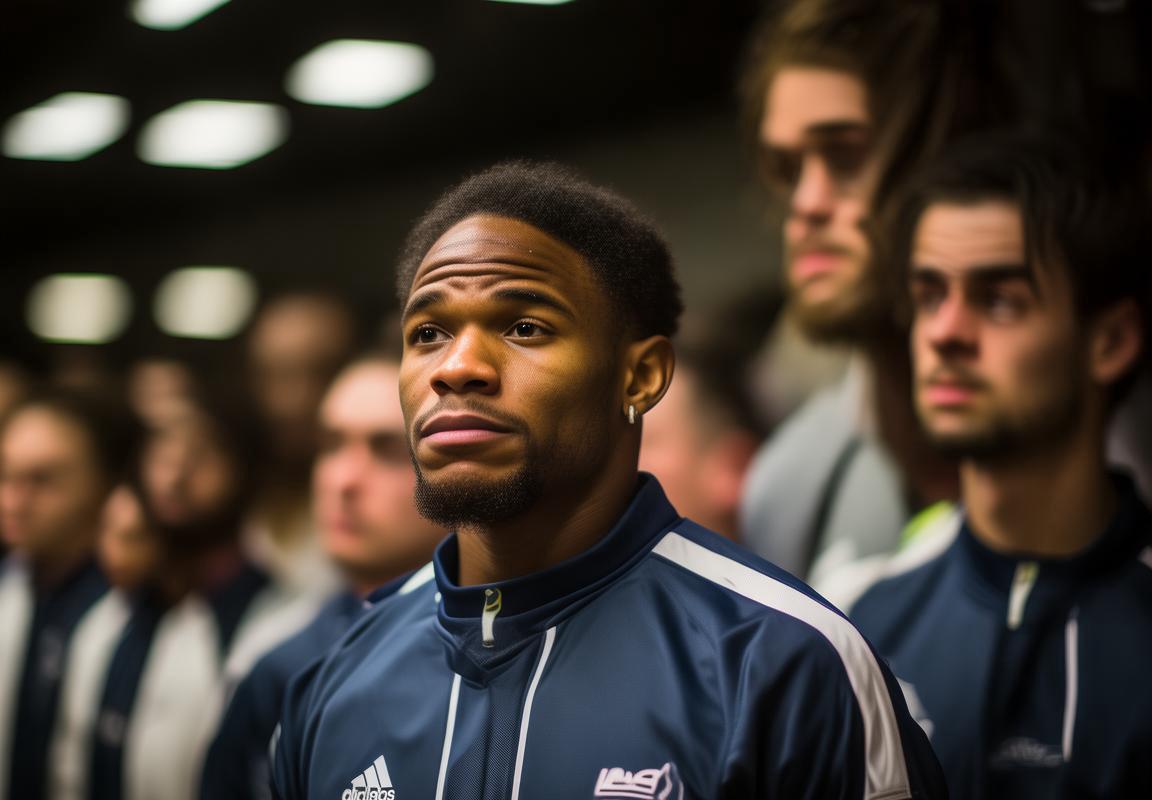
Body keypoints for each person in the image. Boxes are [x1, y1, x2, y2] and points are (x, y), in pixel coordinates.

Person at [272, 161, 945, 799]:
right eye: (427, 334)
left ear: (640, 377)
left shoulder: (779, 661)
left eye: (524, 327)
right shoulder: (336, 679)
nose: (456, 367)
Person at [836, 131, 1152, 798]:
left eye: (999, 300)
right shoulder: (852, 618)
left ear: (1111, 341)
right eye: (929, 296)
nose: (944, 332)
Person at [736, 0, 966, 582]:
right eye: (788, 169)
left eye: (846, 157)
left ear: (943, 157)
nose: (806, 204)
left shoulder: (1106, 444)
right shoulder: (790, 487)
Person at [200, 353, 446, 800]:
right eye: (330, 445)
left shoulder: (491, 655)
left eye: (389, 450)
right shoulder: (278, 664)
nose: (343, 480)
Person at [0, 389, 137, 800]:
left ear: (104, 484)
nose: (13, 501)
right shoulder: (13, 583)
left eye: (42, 480)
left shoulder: (127, 608)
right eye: (5, 475)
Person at [243, 291, 360, 597]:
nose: (291, 400)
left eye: (318, 372)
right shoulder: (234, 488)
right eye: (274, 375)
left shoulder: (381, 494)